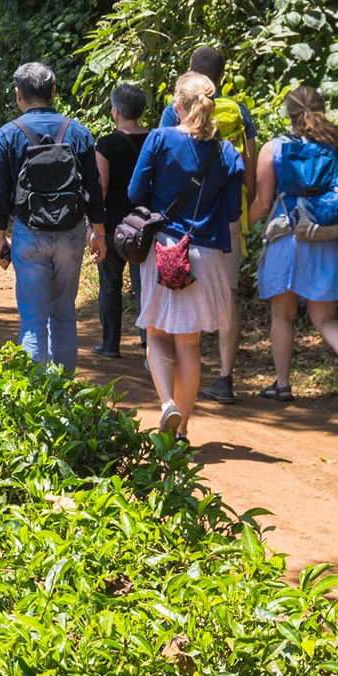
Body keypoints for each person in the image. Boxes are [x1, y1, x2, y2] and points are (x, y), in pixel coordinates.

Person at [130, 72, 246, 441]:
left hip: (164, 250)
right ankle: (182, 434)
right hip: (205, 254)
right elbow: (231, 213)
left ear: (176, 107)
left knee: (157, 334)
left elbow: (136, 192)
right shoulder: (227, 152)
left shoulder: (159, 139)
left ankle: (167, 406)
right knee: (190, 344)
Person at [250, 86, 338, 407]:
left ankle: (282, 385)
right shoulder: (335, 146)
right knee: (326, 318)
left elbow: (264, 202)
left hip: (289, 236)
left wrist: (238, 227)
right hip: (327, 237)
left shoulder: (274, 148)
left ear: (287, 113)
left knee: (282, 315)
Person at [0, 62, 106, 374]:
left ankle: (39, 396)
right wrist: (100, 232)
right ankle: (64, 390)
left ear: (18, 94)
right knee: (64, 313)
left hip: (29, 232)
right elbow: (94, 188)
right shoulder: (78, 132)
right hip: (71, 233)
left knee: (33, 319)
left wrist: (0, 237)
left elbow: (0, 191)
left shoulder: (9, 134)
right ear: (53, 92)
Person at [160, 47, 259, 404]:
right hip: (226, 218)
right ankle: (225, 376)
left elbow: (161, 162)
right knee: (228, 296)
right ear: (223, 76)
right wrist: (245, 209)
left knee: (177, 289)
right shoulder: (239, 113)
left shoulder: (174, 111)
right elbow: (249, 167)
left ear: (189, 72)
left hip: (177, 223)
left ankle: (178, 371)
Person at [92, 82, 152, 358]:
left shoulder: (106, 144)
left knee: (110, 284)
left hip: (116, 224)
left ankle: (110, 343)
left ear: (116, 111)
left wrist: (96, 228)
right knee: (145, 286)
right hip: (147, 224)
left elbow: (100, 188)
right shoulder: (154, 139)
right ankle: (149, 341)